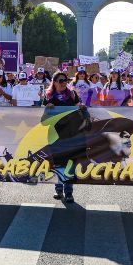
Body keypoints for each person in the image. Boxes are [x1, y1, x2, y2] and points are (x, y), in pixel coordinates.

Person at [43, 72, 83, 202]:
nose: (64, 83)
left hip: (72, 133)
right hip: (55, 135)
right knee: (59, 163)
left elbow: (78, 109)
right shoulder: (48, 97)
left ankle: (69, 192)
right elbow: (44, 121)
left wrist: (82, 108)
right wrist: (47, 109)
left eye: (65, 80)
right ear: (54, 82)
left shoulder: (72, 94)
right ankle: (58, 190)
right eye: (60, 80)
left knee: (70, 163)